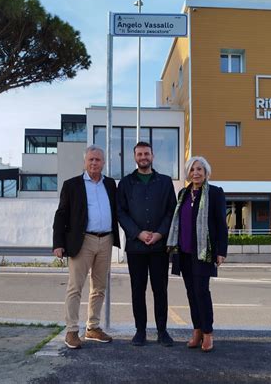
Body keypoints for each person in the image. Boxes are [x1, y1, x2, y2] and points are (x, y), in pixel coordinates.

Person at [52, 145, 121, 349]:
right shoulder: (72, 185)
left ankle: (93, 327)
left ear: (103, 163)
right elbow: (61, 214)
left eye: (98, 160)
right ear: (84, 162)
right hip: (82, 241)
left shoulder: (110, 184)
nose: (94, 163)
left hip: (106, 240)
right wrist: (58, 243)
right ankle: (72, 331)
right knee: (75, 288)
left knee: (99, 288)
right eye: (91, 159)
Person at [117, 141, 177, 347]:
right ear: (135, 157)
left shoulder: (165, 182)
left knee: (160, 290)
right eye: (140, 154)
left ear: (153, 156)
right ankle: (140, 331)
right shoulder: (125, 184)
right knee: (137, 290)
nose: (143, 157)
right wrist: (138, 233)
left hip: (159, 248)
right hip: (136, 247)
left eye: (147, 153)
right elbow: (121, 213)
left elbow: (172, 212)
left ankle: (162, 331)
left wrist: (160, 233)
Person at [167, 156, 228, 352]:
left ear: (206, 172)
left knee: (202, 292)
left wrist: (221, 251)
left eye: (200, 169)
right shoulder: (183, 194)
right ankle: (197, 330)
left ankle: (208, 333)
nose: (196, 172)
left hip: (203, 252)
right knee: (191, 293)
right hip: (184, 252)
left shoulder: (215, 193)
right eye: (193, 169)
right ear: (188, 172)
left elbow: (221, 224)